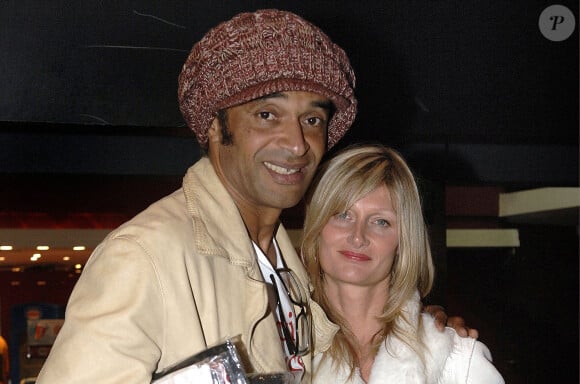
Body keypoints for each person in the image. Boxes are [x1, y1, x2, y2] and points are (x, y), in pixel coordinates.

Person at [37, 9, 470, 384]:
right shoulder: (146, 257)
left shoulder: (292, 272)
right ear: (213, 126)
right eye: (267, 115)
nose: (297, 143)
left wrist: (422, 338)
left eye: (313, 119)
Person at [302, 144, 504, 383]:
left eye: (380, 222)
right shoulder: (281, 351)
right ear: (317, 226)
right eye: (343, 215)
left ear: (404, 240)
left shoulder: (456, 359)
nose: (358, 236)